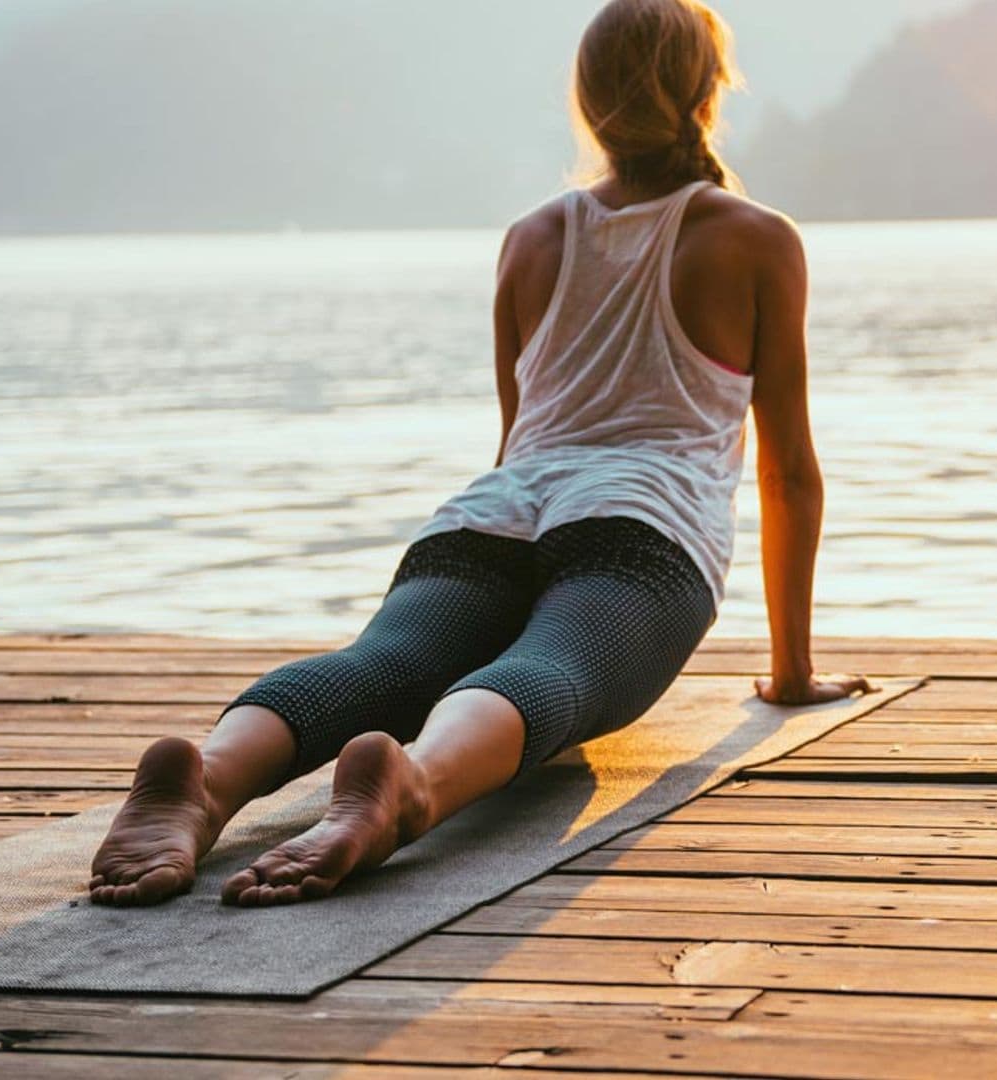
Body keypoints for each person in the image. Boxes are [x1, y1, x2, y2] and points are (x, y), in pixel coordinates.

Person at [87, 0, 870, 908]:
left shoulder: (532, 239)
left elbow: (517, 436)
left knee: (377, 665)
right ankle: (411, 785)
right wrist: (790, 673)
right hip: (641, 535)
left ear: (589, 103)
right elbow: (787, 472)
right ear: (707, 93)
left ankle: (213, 773)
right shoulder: (753, 238)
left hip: (489, 518)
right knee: (550, 675)